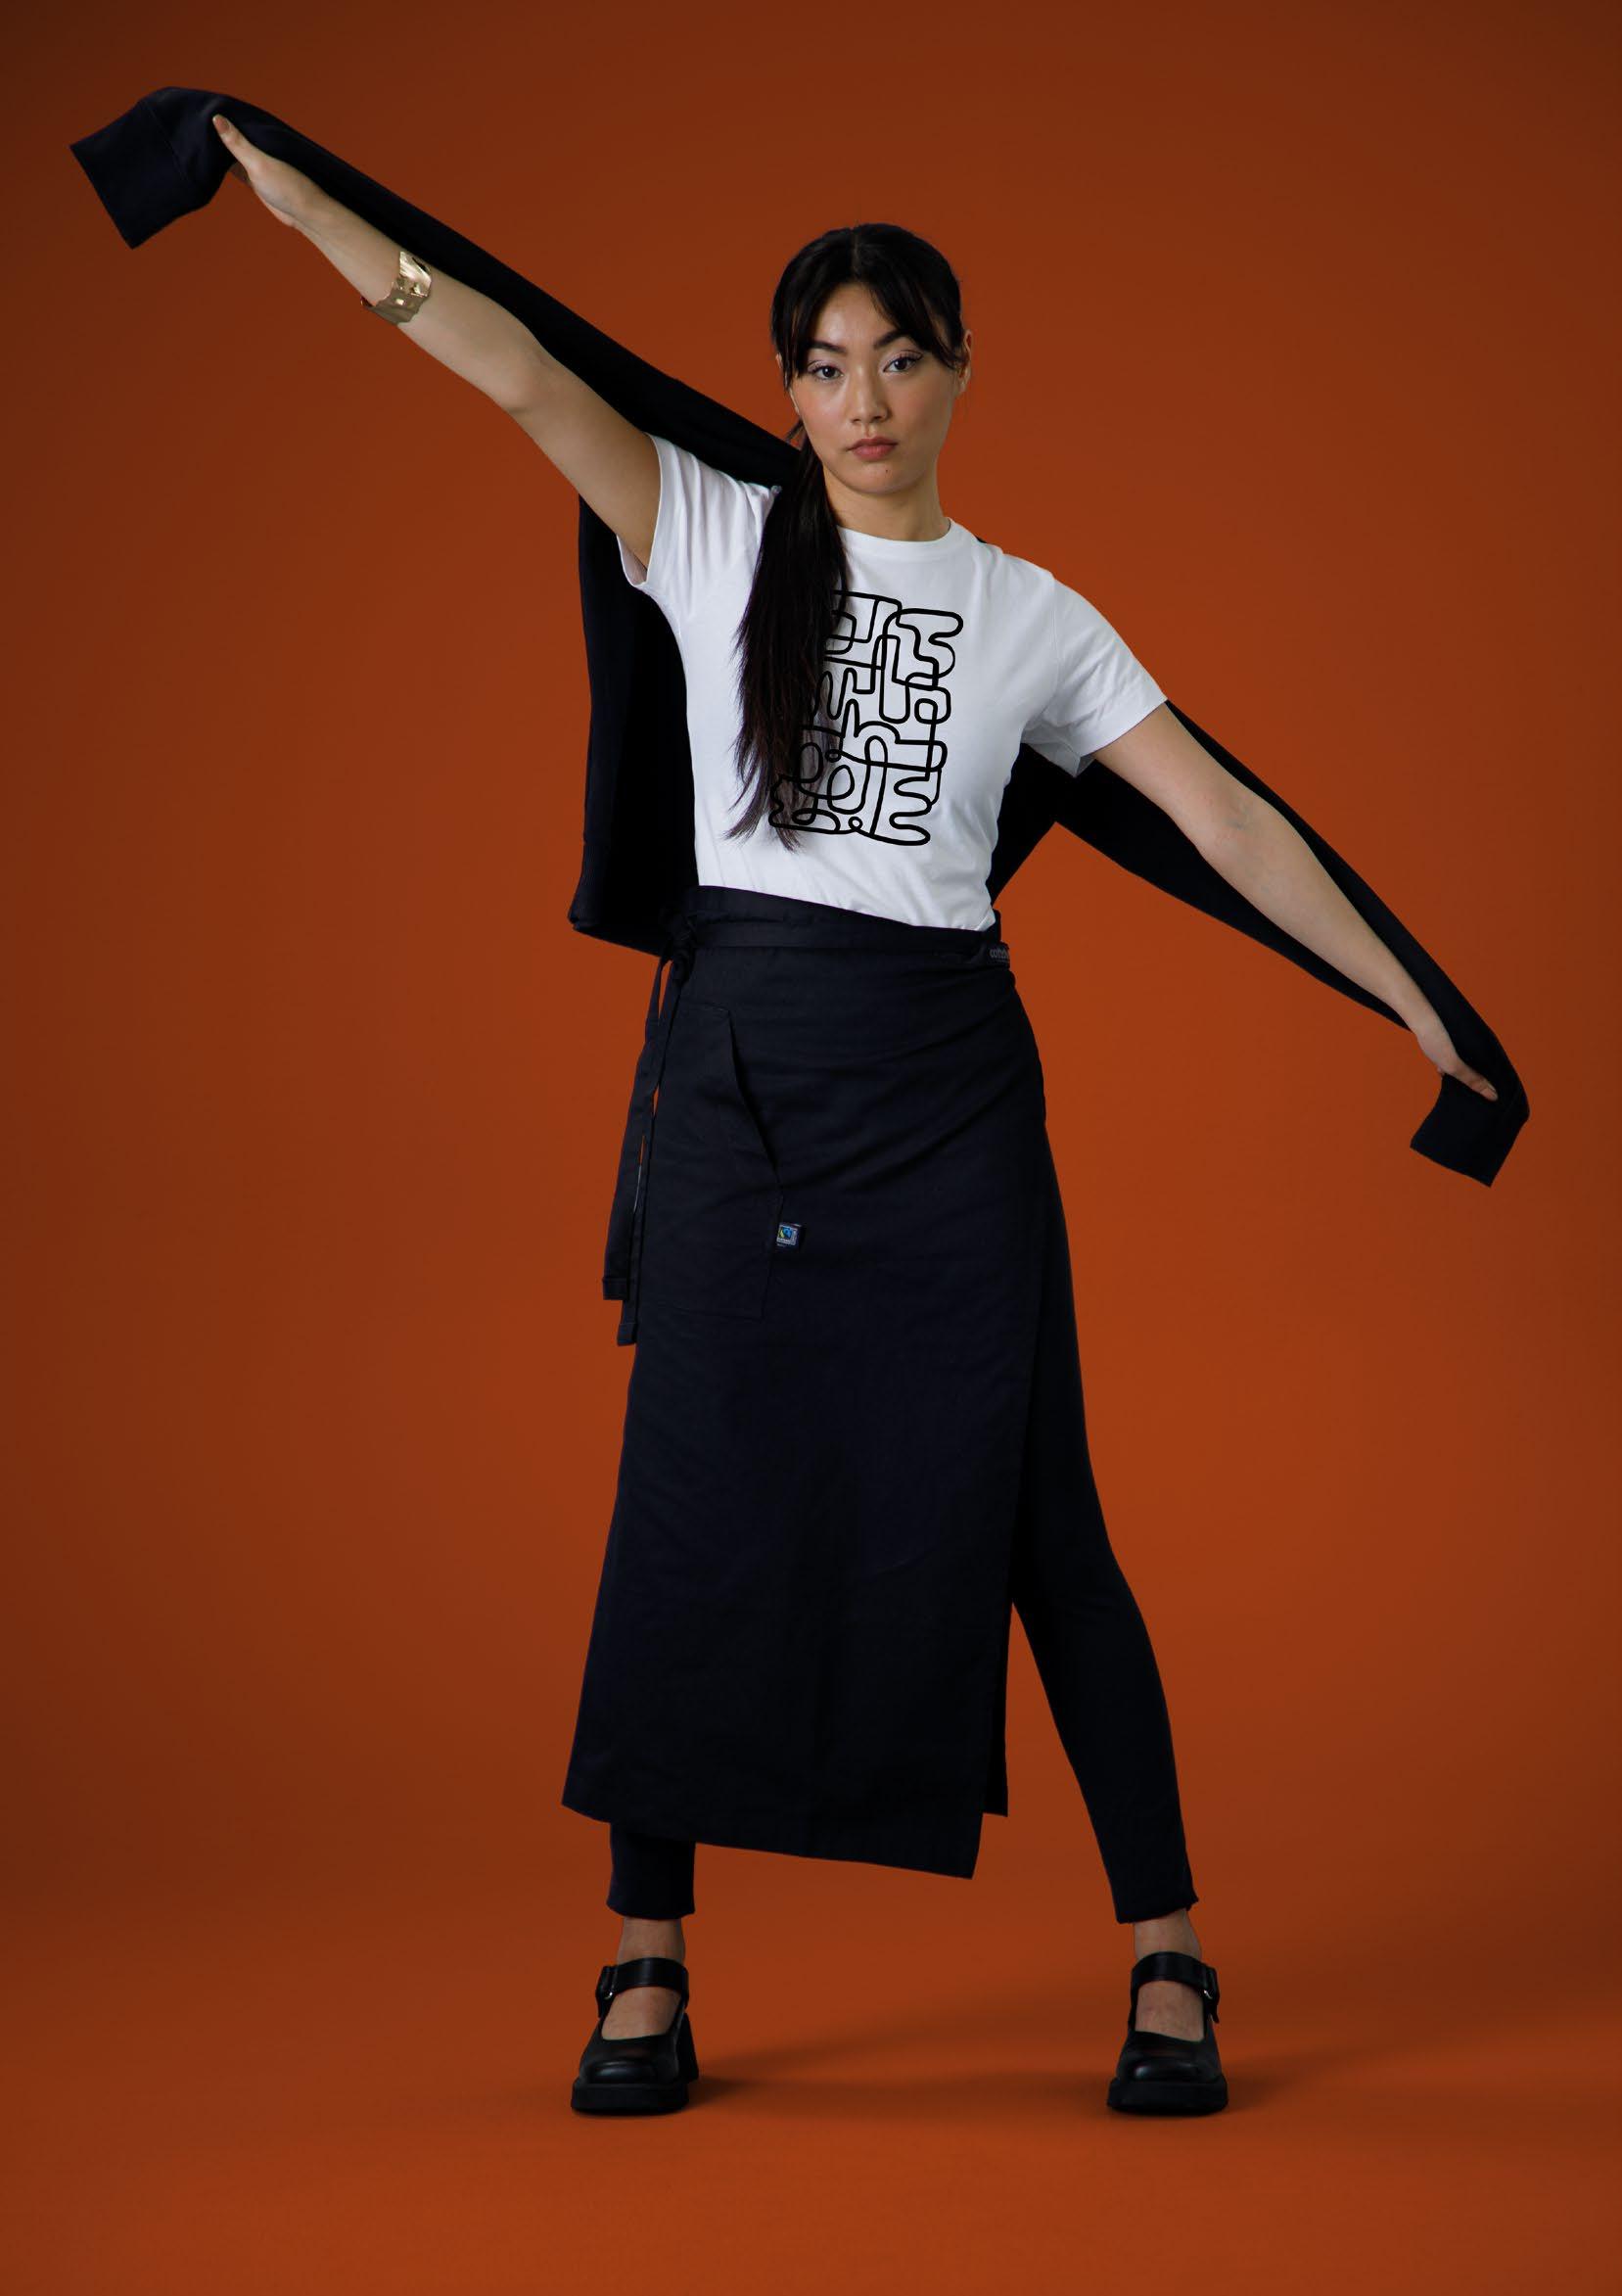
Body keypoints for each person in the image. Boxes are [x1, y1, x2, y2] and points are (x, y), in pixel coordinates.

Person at [202, 113, 1502, 2121]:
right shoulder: (708, 532)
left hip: (947, 1093)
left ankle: (1168, 1953)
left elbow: (1225, 817)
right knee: (689, 1492)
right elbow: (520, 369)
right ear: (788, 387)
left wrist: (1410, 995)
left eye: (899, 357)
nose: (863, 399)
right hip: (744, 1071)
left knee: (1042, 1516)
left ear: (961, 371)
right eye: (824, 363)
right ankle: (647, 1958)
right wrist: (313, 215)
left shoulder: (1034, 612)